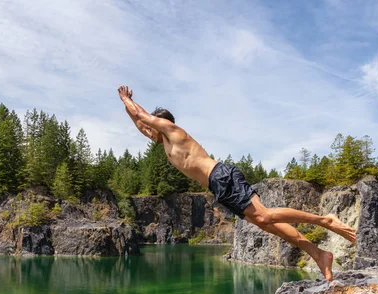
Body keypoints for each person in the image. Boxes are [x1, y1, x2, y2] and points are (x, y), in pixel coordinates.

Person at [118, 86, 356, 281]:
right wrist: (127, 105)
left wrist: (127, 99)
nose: (149, 131)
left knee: (264, 216)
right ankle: (319, 254)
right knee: (266, 224)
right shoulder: (164, 143)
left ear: (162, 122)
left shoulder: (174, 131)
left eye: (153, 125)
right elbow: (140, 123)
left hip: (221, 176)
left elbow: (143, 116)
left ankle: (326, 221)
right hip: (218, 187)